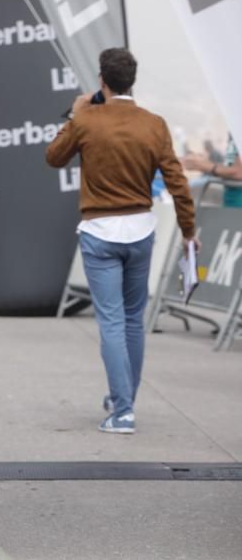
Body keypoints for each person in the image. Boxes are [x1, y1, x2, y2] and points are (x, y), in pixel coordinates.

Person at [46, 48, 198, 434]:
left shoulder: (86, 120)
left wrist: (73, 114)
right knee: (133, 321)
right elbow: (178, 182)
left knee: (111, 322)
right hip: (141, 231)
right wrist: (188, 231)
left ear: (102, 80)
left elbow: (53, 157)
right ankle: (122, 399)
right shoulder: (155, 124)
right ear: (132, 80)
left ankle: (123, 411)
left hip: (99, 232)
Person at [183, 134, 242, 208]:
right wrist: (202, 164)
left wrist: (203, 165)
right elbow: (230, 166)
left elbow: (238, 172)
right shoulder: (233, 139)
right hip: (230, 201)